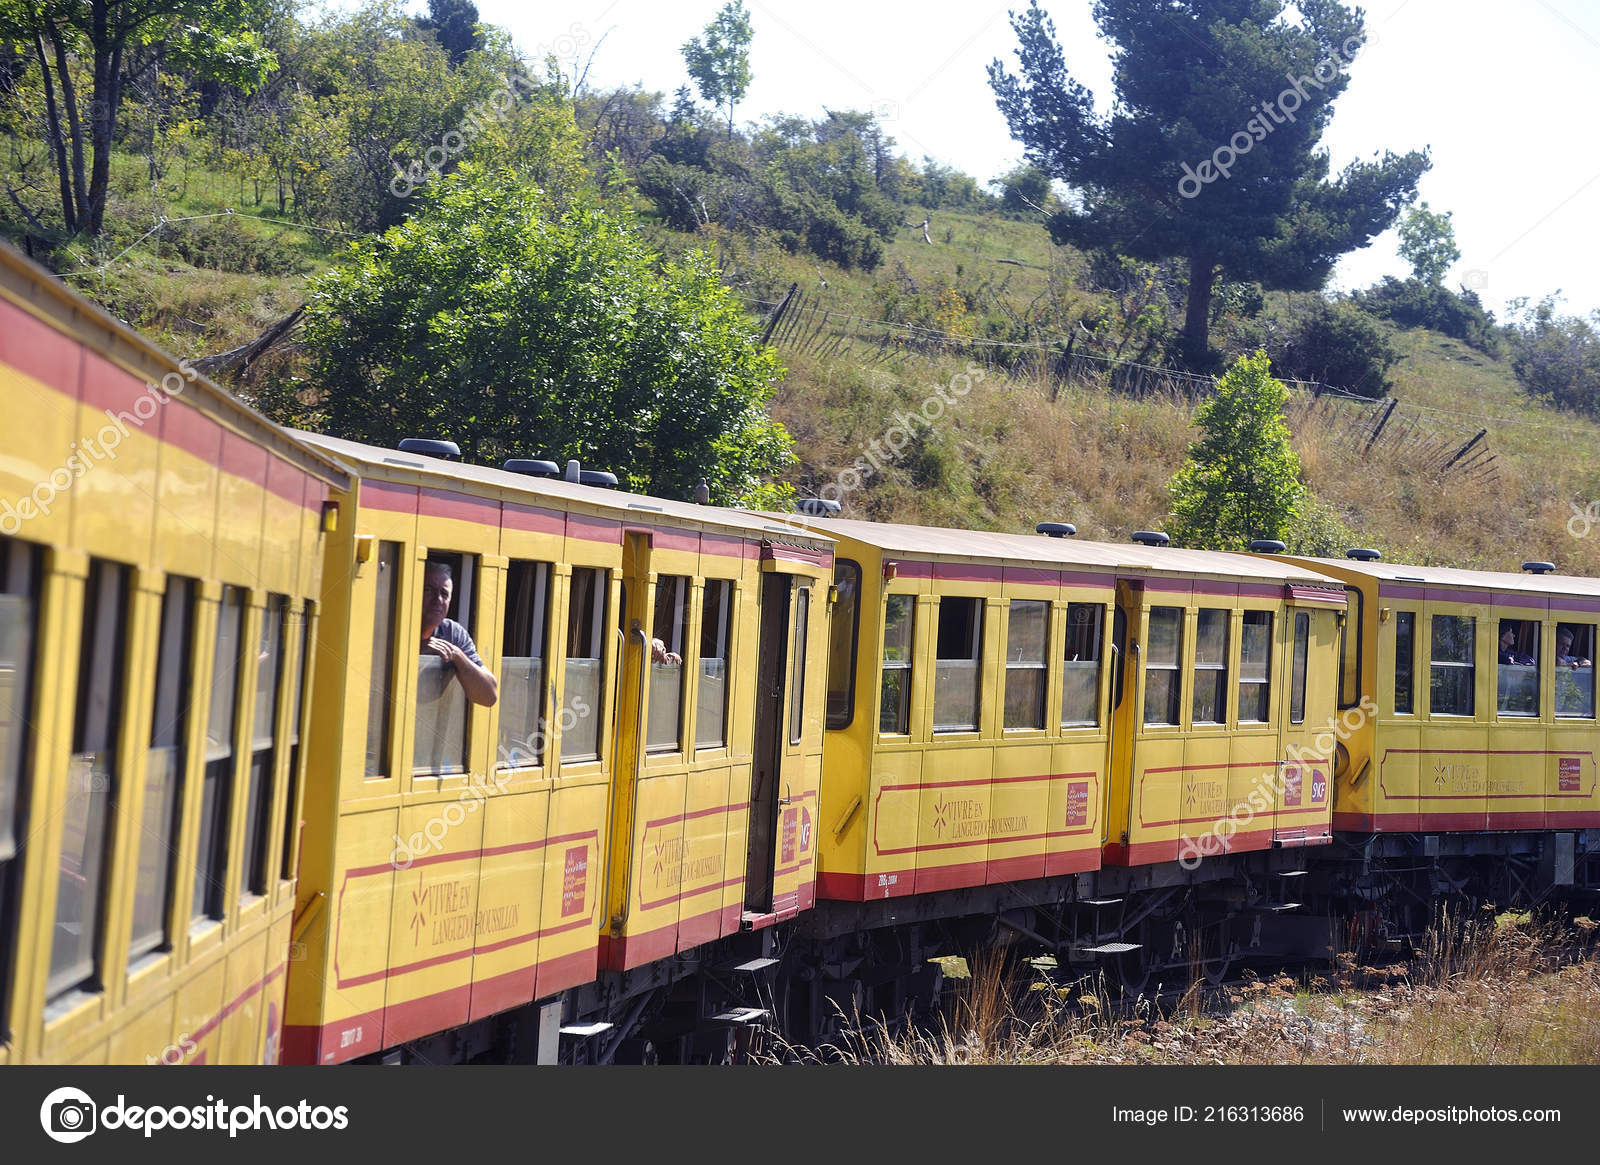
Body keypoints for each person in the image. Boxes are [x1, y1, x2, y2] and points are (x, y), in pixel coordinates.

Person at [420, 560, 498, 706]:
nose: (437, 600)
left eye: (444, 594)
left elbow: (489, 697)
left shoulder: (452, 633)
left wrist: (457, 656)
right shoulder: (395, 626)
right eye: (428, 590)